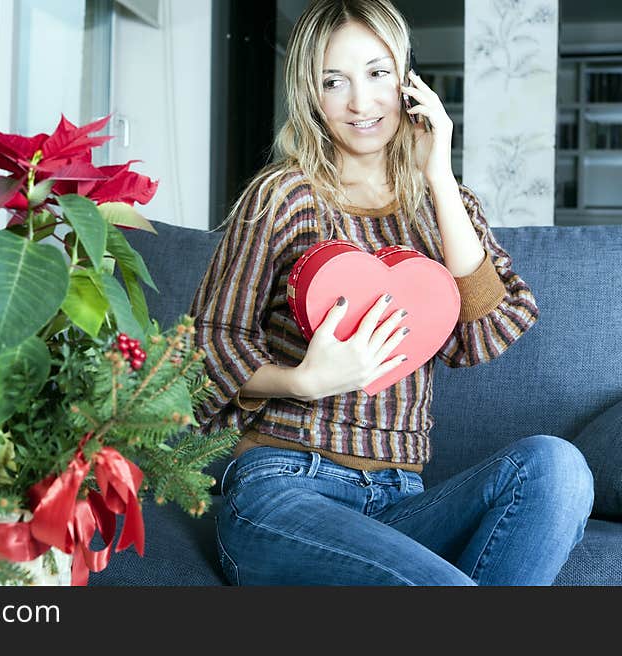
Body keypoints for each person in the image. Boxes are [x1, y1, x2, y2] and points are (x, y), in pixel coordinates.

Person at [189, 0, 594, 585]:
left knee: (558, 467)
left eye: (378, 73)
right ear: (310, 93)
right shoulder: (283, 197)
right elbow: (205, 344)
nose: (360, 102)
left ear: (407, 80)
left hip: (401, 500)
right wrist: (304, 380)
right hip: (283, 488)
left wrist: (439, 178)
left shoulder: (446, 206)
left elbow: (485, 333)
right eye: (335, 81)